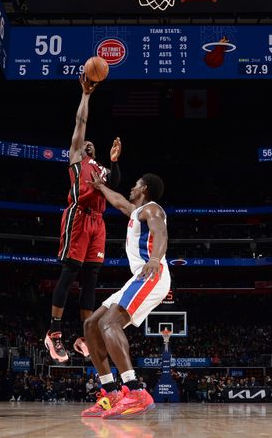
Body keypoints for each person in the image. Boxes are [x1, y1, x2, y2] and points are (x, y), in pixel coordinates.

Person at [80, 173, 170, 418]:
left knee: (109, 323)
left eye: (136, 183)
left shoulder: (152, 210)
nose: (132, 186)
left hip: (152, 272)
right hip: (138, 276)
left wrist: (154, 258)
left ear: (145, 188)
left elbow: (160, 233)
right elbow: (119, 201)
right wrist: (100, 186)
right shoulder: (135, 212)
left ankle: (135, 390)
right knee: (92, 325)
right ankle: (111, 393)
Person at [45, 74, 121, 363]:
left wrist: (114, 162)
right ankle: (54, 333)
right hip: (78, 216)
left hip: (98, 222)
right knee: (70, 272)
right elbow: (80, 124)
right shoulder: (77, 160)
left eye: (91, 144)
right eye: (83, 143)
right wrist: (86, 95)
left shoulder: (100, 168)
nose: (87, 143)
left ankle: (85, 334)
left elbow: (114, 184)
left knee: (91, 278)